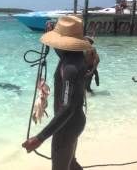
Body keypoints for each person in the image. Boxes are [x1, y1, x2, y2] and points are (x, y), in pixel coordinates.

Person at [22, 16, 92, 170]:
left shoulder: (70, 68)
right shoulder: (74, 56)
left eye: (56, 40)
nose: (54, 45)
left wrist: (40, 138)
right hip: (75, 121)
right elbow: (62, 51)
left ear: (65, 44)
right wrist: (53, 30)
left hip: (67, 126)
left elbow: (67, 108)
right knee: (71, 164)